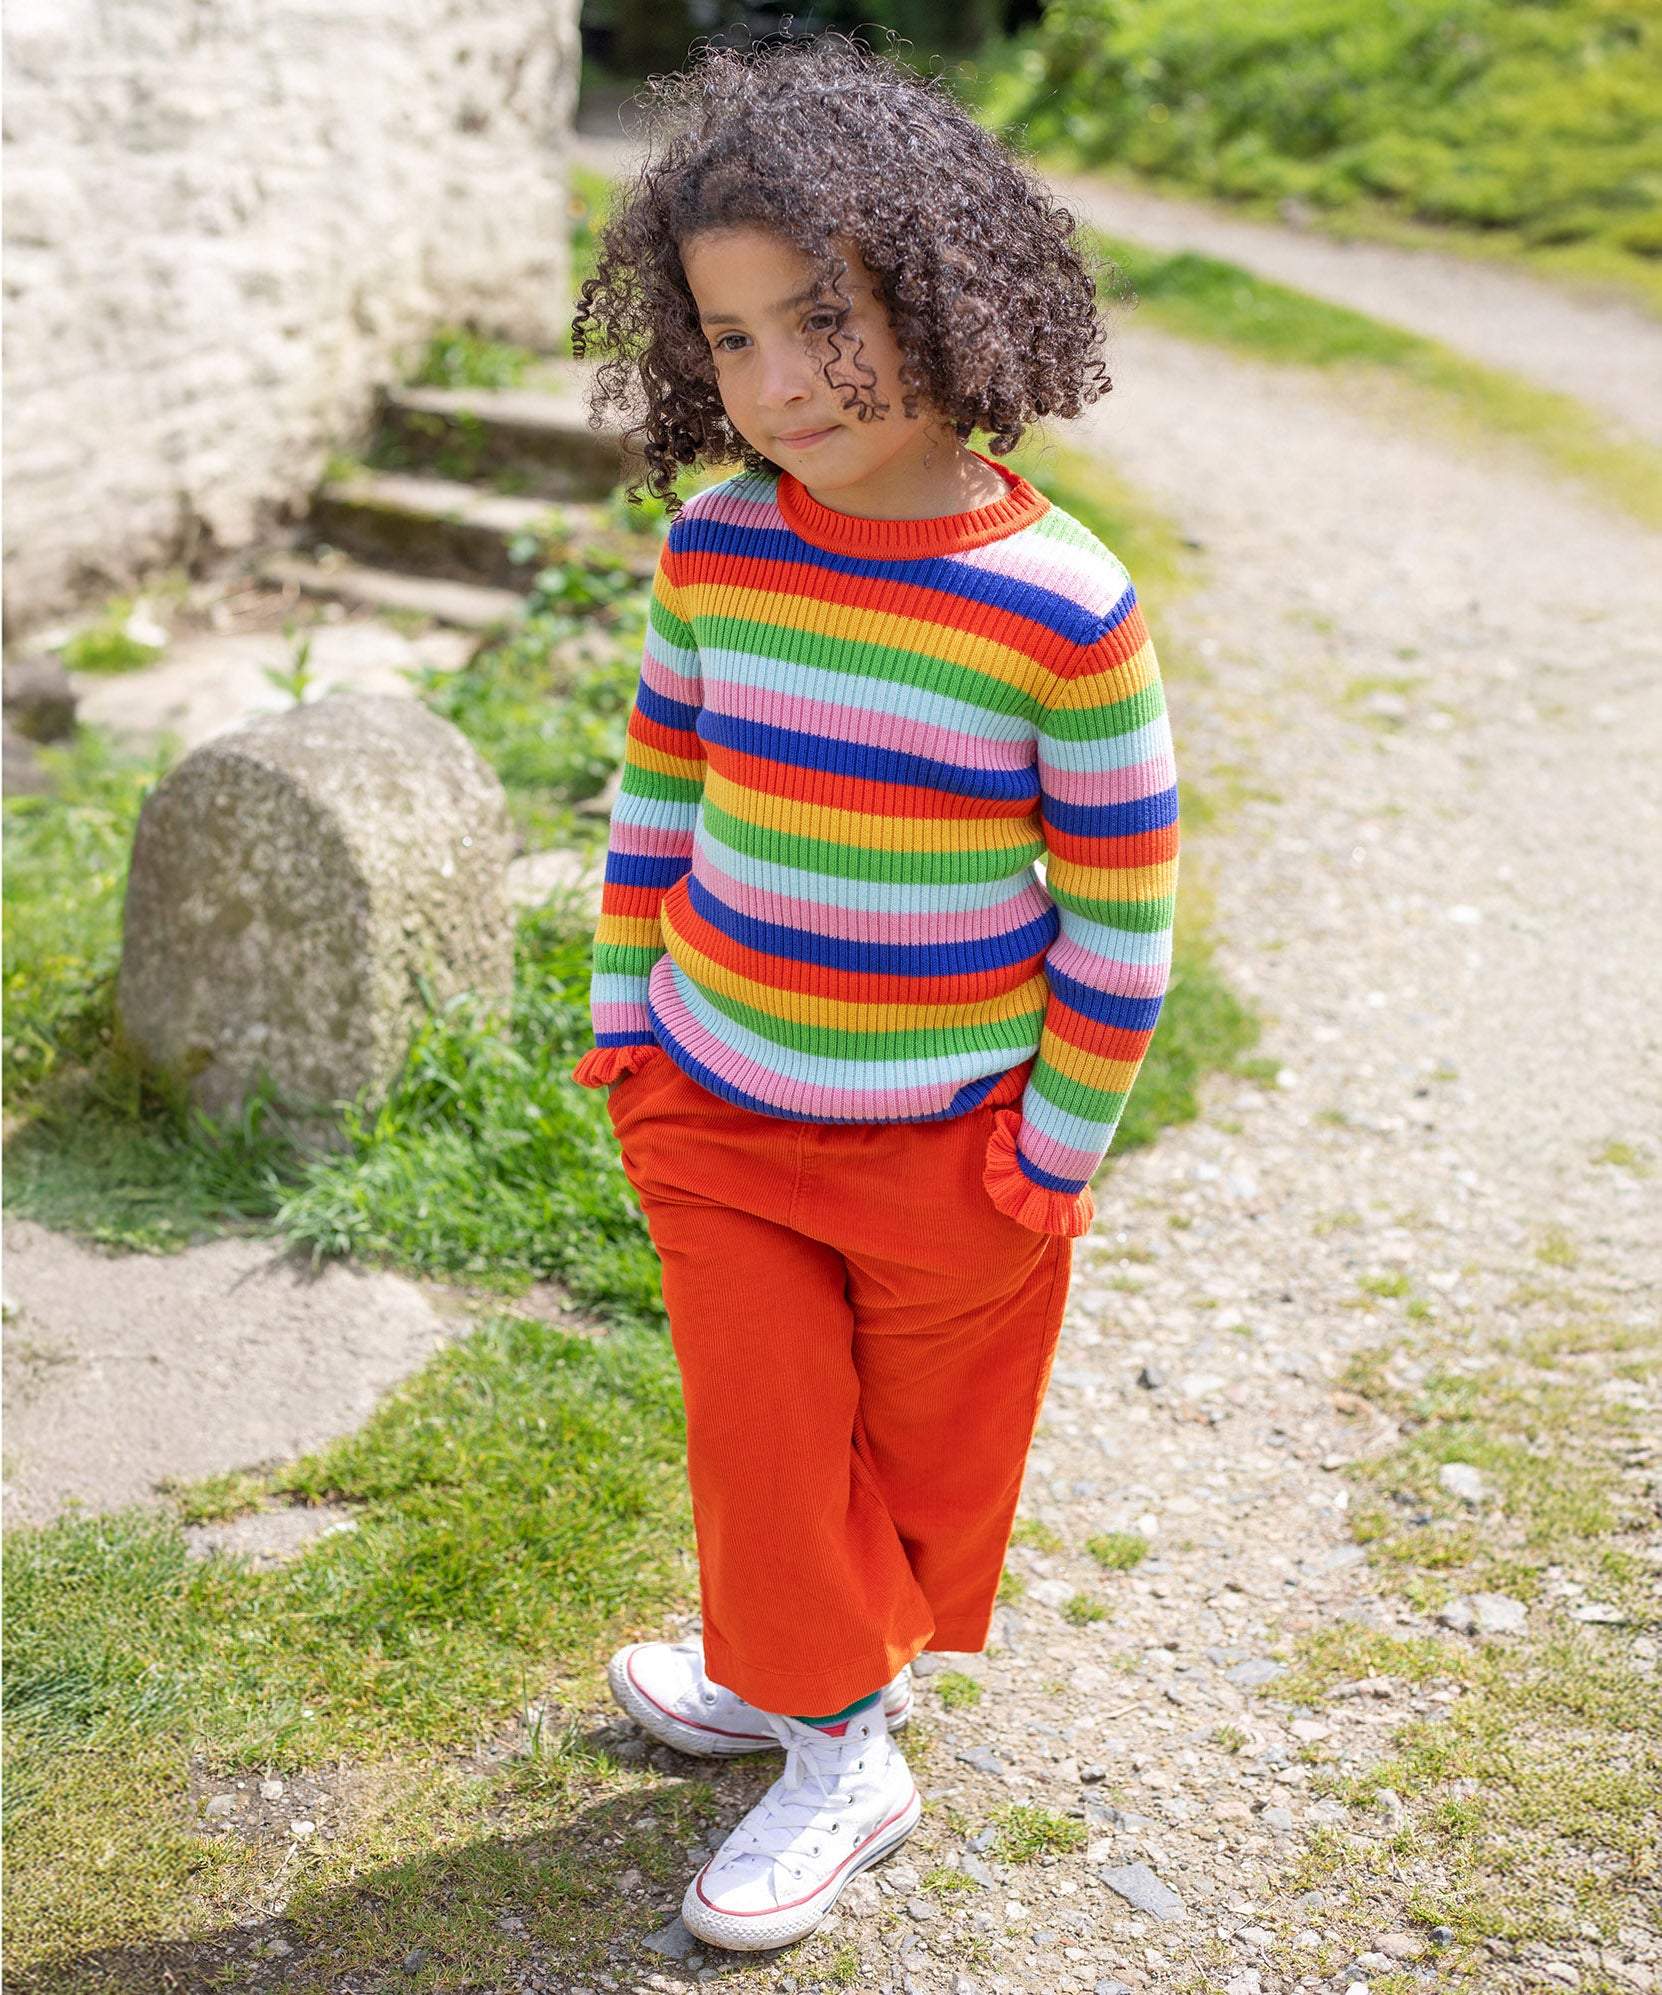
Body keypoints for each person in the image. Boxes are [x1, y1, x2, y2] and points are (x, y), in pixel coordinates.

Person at [569, 34, 1179, 1953]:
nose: (777, 380)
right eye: (729, 340)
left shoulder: (1060, 608)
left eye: (820, 318)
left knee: (904, 1462)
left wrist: (1055, 1142)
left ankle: (793, 1668)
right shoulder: (716, 555)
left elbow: (1121, 909)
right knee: (760, 1440)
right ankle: (838, 1744)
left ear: (943, 291)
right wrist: (622, 1021)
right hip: (722, 1103)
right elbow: (657, 793)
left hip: (949, 1138)